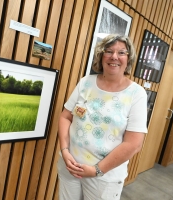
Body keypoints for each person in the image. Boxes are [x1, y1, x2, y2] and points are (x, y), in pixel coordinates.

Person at [57, 34, 148, 200]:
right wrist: (64, 151)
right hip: (70, 166)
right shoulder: (86, 82)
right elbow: (65, 117)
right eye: (109, 51)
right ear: (101, 56)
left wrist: (96, 170)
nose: (114, 56)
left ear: (129, 59)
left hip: (104, 177)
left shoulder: (136, 94)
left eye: (121, 53)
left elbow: (134, 144)